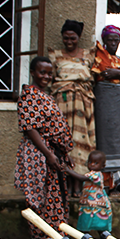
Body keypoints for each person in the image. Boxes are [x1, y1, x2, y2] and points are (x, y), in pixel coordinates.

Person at [15, 56, 73, 239]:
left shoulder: (44, 95)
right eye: (42, 72)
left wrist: (64, 152)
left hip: (52, 151)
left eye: (49, 73)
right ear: (33, 72)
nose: (46, 76)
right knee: (40, 197)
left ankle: (54, 236)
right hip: (38, 153)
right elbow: (31, 129)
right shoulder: (28, 95)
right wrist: (48, 154)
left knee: (54, 195)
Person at [48, 19, 96, 196]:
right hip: (62, 104)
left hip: (83, 106)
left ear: (79, 37)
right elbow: (51, 79)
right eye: (66, 38)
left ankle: (78, 185)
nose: (69, 42)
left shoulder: (88, 55)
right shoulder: (55, 55)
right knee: (64, 144)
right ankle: (66, 184)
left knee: (81, 144)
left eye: (72, 38)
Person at [91, 25, 120, 194]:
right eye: (109, 40)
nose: (113, 43)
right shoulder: (98, 58)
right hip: (105, 106)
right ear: (104, 41)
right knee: (106, 143)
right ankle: (108, 186)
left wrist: (118, 74)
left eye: (116, 40)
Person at [65, 150, 112, 232]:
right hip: (88, 203)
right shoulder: (90, 173)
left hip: (96, 203)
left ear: (102, 166)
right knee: (87, 222)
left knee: (99, 224)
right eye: (90, 162)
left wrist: (68, 171)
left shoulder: (96, 174)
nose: (92, 165)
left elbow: (81, 178)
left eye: (96, 163)